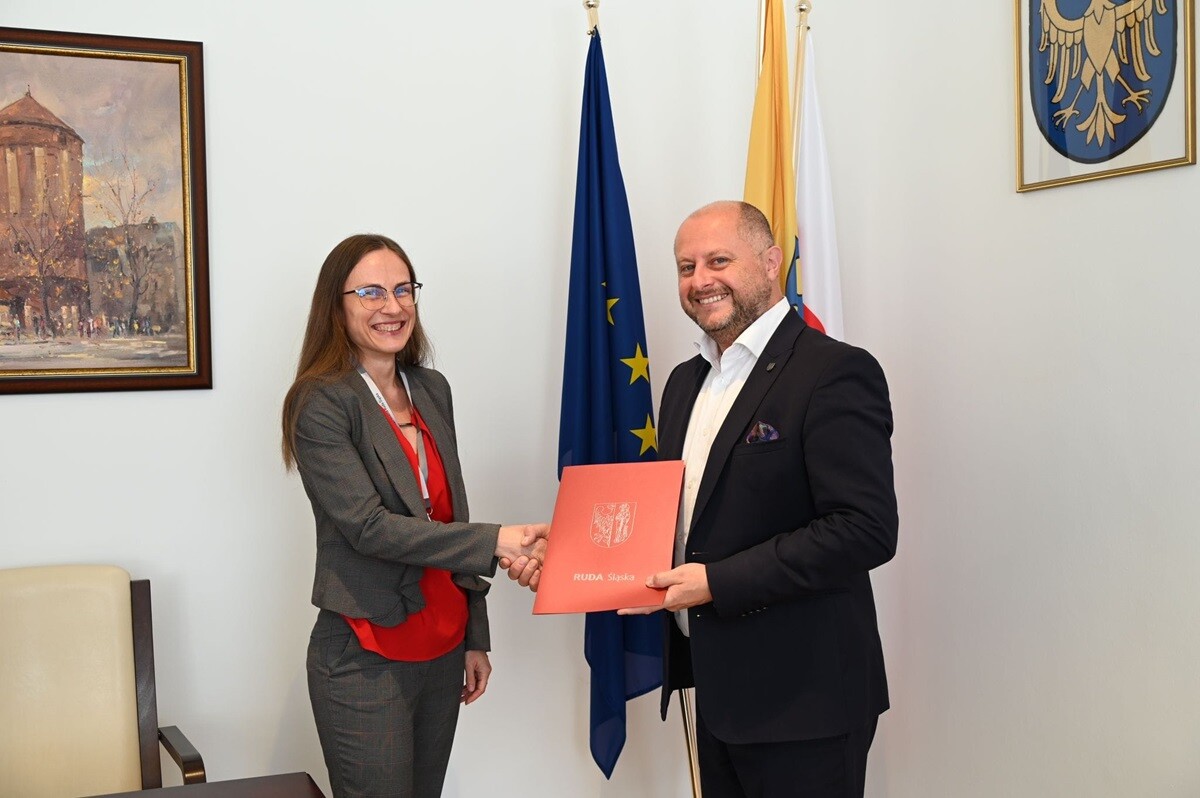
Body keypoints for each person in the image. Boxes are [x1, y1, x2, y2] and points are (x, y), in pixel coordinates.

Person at [621, 201, 898, 797]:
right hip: (715, 692)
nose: (700, 280)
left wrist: (717, 582)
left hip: (807, 702)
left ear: (772, 263)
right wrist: (579, 547)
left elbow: (864, 528)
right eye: (686, 267)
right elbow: (682, 514)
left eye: (719, 261)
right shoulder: (684, 381)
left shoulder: (834, 371)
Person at [281, 233, 547, 798]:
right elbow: (368, 527)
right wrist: (498, 541)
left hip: (443, 645)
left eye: (403, 290)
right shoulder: (321, 401)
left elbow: (451, 511)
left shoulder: (430, 388)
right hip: (365, 652)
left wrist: (474, 634)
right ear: (336, 306)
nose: (393, 306)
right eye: (371, 292)